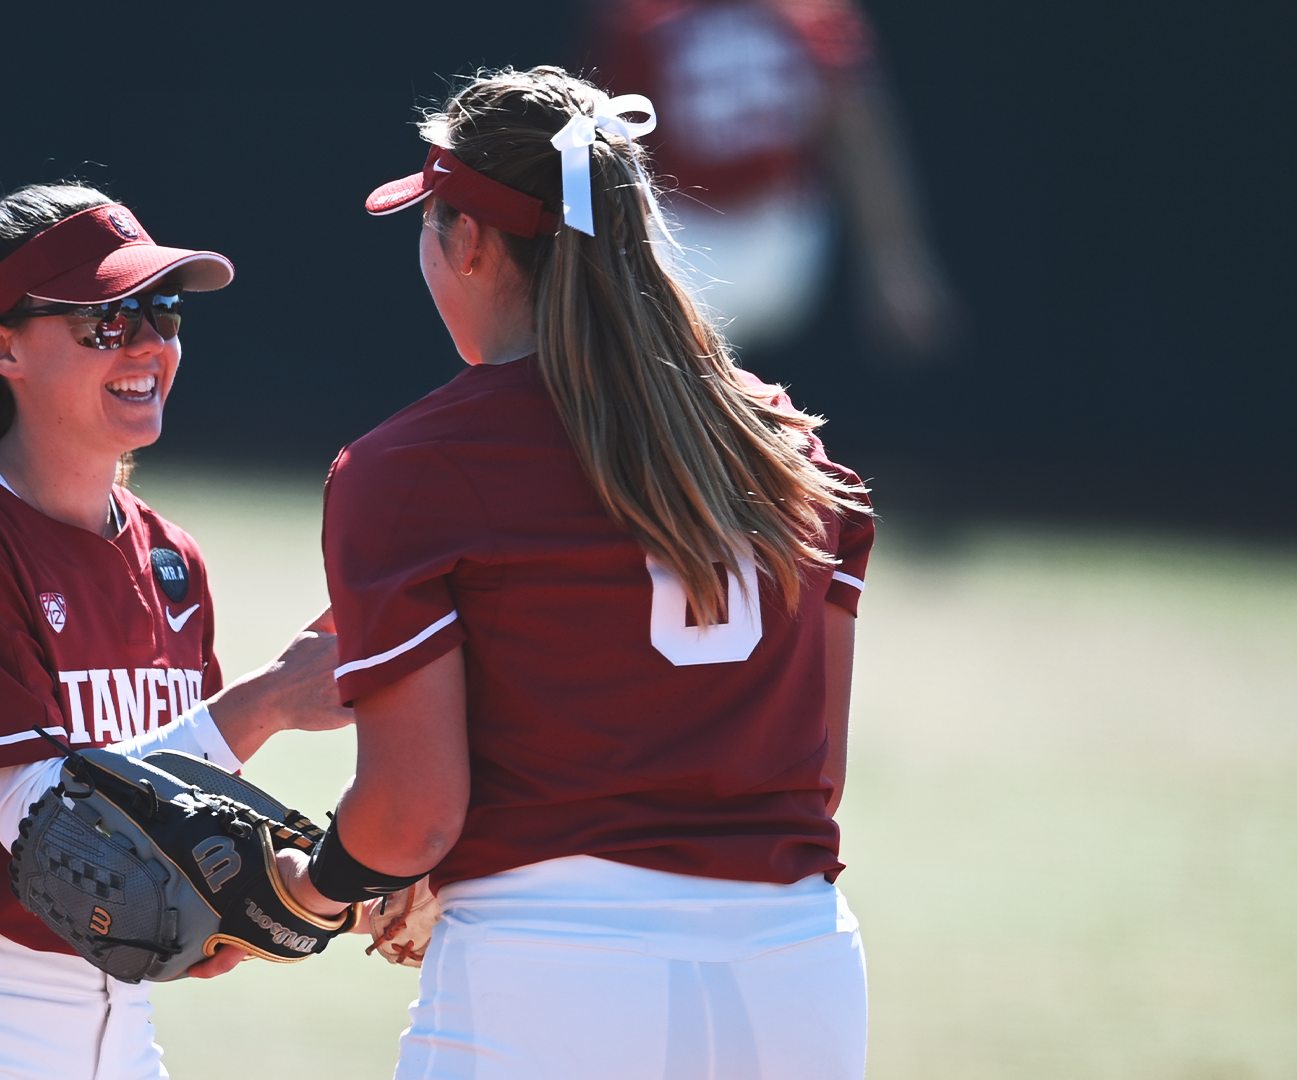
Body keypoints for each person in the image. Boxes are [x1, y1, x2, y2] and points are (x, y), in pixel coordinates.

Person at [276, 68, 877, 1079]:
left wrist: (307, 892)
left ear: (469, 240)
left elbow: (412, 817)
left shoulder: (411, 468)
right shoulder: (783, 443)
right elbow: (813, 777)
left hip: (548, 968)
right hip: (797, 970)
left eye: (428, 224)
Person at [0, 184, 350, 1080]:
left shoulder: (169, 557)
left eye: (162, 311)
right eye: (104, 320)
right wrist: (265, 704)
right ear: (1, 346)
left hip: (121, 1029)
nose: (146, 343)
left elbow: (178, 830)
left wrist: (346, 880)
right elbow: (58, 842)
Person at [584, 0, 955, 358]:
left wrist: (896, 258)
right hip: (684, 234)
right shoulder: (643, 20)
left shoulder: (812, 17)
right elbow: (607, 143)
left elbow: (857, 137)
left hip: (781, 236)